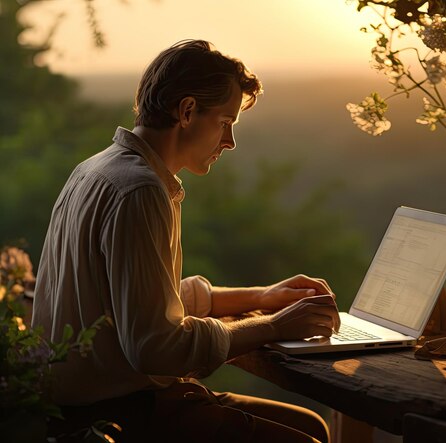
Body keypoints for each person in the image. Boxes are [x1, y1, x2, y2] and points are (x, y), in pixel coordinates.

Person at [32, 39, 340, 443]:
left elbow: (136, 301)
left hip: (94, 403)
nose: (229, 142)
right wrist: (274, 326)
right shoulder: (139, 190)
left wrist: (261, 297)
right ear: (188, 110)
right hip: (113, 415)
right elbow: (154, 347)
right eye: (226, 123)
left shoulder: (97, 168)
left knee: (310, 423)